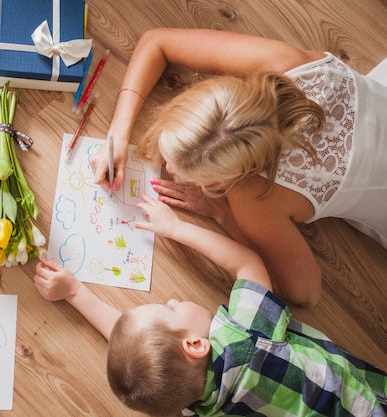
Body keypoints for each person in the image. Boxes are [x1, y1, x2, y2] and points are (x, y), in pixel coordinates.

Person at [89, 28, 387, 308]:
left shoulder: (256, 197)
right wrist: (117, 135)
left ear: (226, 180)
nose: (166, 167)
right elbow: (156, 41)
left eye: (179, 169)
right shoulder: (283, 65)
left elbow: (304, 294)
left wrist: (222, 213)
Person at [33, 194, 387, 417]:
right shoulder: (249, 338)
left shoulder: (186, 402)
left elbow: (137, 353)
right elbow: (246, 264)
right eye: (169, 309)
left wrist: (76, 294)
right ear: (195, 344)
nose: (172, 299)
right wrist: (176, 228)